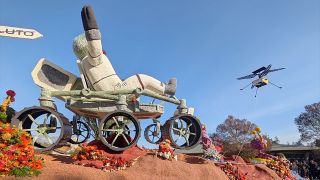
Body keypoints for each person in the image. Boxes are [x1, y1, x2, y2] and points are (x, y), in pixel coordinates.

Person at [73, 6, 177, 97]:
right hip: (116, 90)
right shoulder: (93, 57)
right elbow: (94, 45)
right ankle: (167, 89)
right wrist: (91, 26)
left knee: (140, 83)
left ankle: (161, 91)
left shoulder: (86, 62)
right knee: (143, 78)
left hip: (112, 89)